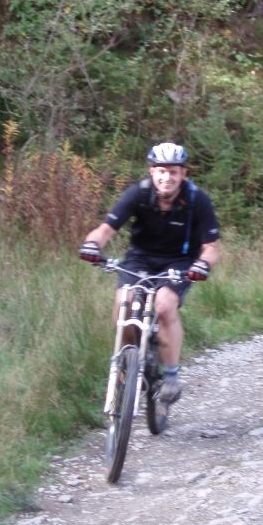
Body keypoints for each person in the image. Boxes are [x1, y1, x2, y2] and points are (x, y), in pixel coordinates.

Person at [78, 142, 220, 406]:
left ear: (183, 174)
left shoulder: (197, 200)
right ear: (152, 172)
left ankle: (171, 376)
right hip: (139, 259)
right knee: (125, 303)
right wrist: (92, 245)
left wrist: (202, 265)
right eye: (162, 171)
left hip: (178, 262)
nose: (167, 177)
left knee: (165, 305)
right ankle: (126, 362)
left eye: (174, 172)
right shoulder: (139, 194)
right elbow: (106, 229)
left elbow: (211, 247)